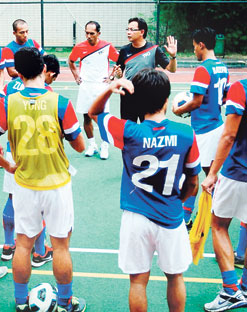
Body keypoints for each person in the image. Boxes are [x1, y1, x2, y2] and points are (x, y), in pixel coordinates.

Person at [0, 47, 86, 312]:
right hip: (56, 185)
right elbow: (81, 147)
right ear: (43, 69)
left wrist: (6, 164)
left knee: (23, 245)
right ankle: (65, 303)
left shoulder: (9, 101)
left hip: (24, 184)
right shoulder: (60, 102)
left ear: (18, 72)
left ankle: (19, 301)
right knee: (60, 246)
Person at [89, 68, 201, 312]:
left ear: (138, 101)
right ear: (167, 99)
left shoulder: (128, 131)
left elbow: (94, 112)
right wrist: (178, 201)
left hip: (136, 216)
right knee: (175, 277)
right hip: (171, 217)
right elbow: (193, 182)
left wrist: (110, 88)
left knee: (138, 281)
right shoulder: (186, 133)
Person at [0, 54, 60, 264]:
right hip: (40, 154)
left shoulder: (9, 90)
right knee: (39, 203)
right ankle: (40, 251)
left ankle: (8, 245)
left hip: (13, 151)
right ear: (43, 69)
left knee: (11, 197)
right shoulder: (48, 93)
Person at [172, 27, 229, 230]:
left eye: (195, 46)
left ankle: (203, 218)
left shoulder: (203, 69)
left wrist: (179, 110)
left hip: (204, 130)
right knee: (206, 174)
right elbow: (222, 98)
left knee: (199, 175)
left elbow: (196, 102)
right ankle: (194, 216)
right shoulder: (222, 67)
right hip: (216, 125)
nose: (194, 50)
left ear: (202, 45)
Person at [201, 78, 247, 311]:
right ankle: (246, 287)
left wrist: (212, 173)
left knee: (218, 225)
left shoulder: (242, 88)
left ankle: (231, 291)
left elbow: (229, 136)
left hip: (238, 172)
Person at [68, 21, 119, 160]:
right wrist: (76, 76)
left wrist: (112, 77)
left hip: (101, 86)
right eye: (86, 33)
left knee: (103, 118)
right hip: (86, 86)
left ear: (98, 33)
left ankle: (105, 146)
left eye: (92, 33)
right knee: (86, 116)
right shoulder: (79, 47)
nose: (88, 36)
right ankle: (92, 145)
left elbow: (119, 61)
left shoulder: (107, 47)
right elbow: (71, 61)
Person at [115, 17, 177, 122]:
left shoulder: (154, 49)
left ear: (142, 32)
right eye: (127, 29)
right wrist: (118, 75)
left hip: (147, 95)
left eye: (132, 30)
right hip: (128, 94)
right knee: (128, 130)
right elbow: (119, 74)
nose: (128, 32)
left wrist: (173, 56)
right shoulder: (124, 50)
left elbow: (171, 69)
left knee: (148, 129)